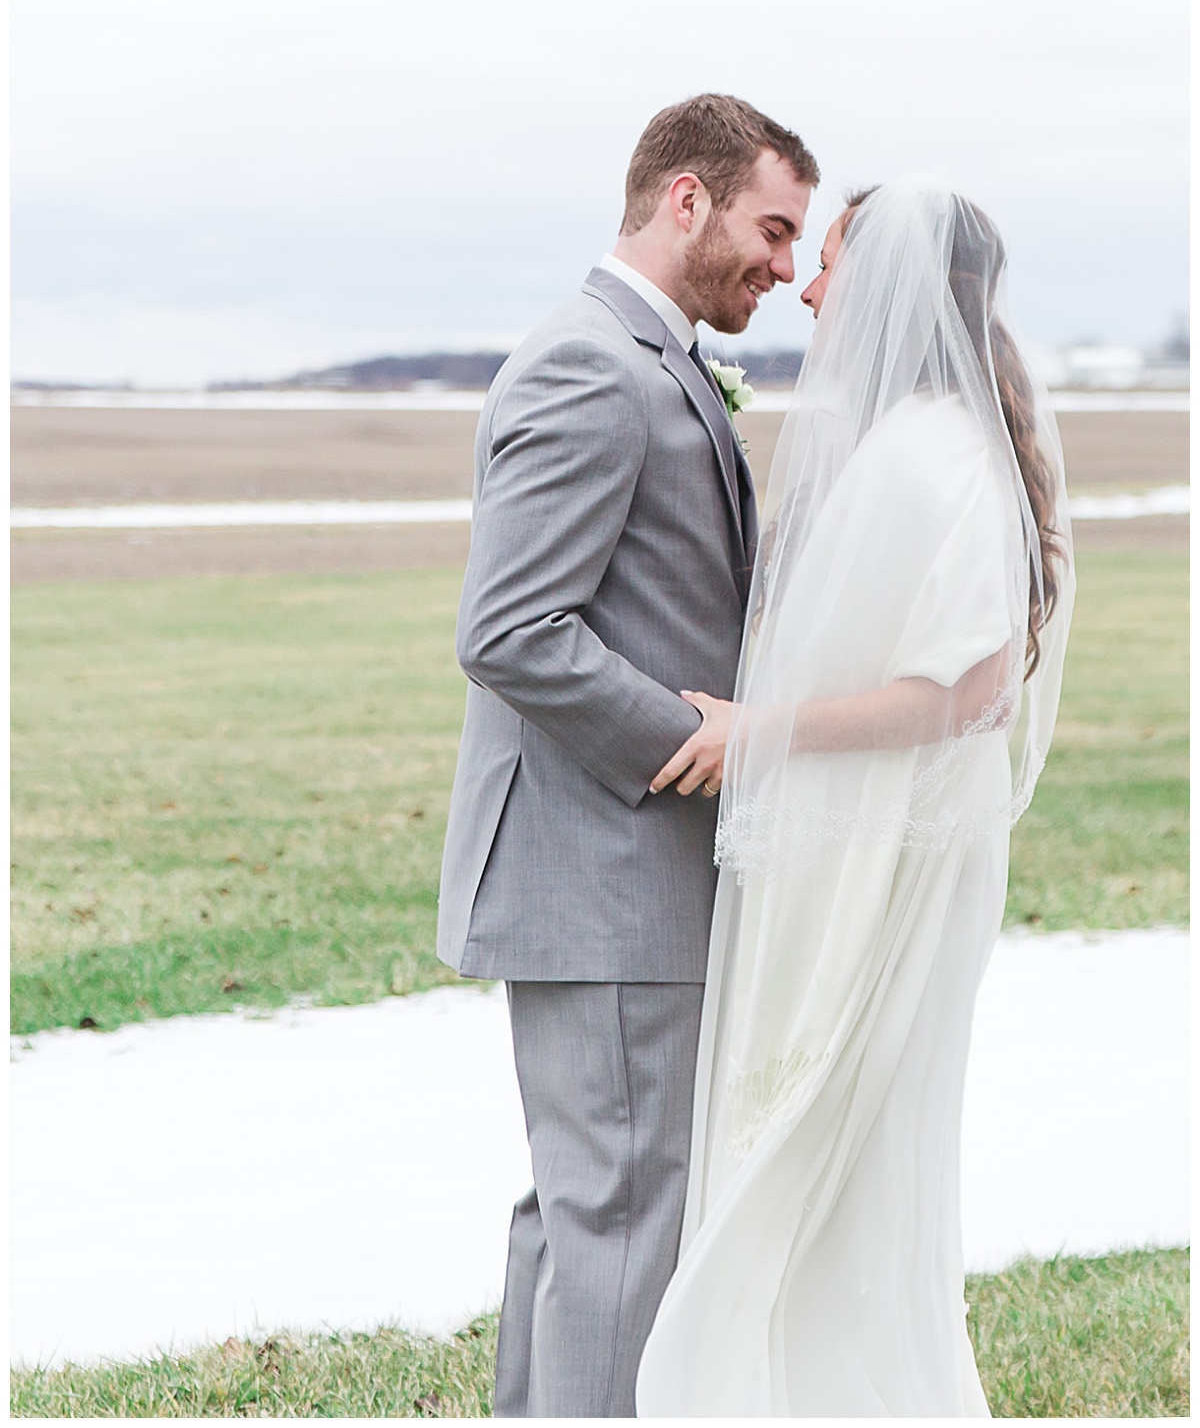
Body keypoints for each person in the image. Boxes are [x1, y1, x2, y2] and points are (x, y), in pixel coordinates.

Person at [635, 176, 1075, 1416]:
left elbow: (972, 689)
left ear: (885, 286)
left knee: (852, 1142)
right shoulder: (910, 445)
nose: (811, 286)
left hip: (888, 861)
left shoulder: (939, 461)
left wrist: (760, 733)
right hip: (844, 848)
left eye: (828, 261)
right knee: (818, 1130)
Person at [435, 94, 819, 1418]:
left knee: (584, 1212)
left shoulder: (645, 356)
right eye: (773, 229)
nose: (785, 265)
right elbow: (512, 629)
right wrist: (698, 741)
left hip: (619, 876)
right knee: (617, 1225)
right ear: (687, 200)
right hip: (611, 869)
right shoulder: (590, 362)